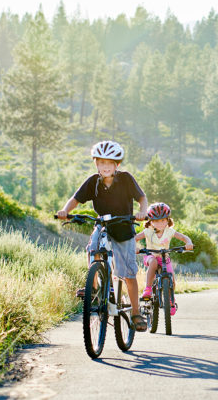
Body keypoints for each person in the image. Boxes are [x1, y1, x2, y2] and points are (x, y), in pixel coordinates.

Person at [57, 140, 149, 332]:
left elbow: (141, 197)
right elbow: (76, 199)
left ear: (117, 165)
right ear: (96, 164)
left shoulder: (126, 179)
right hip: (102, 223)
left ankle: (135, 312)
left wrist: (143, 211)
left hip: (124, 227)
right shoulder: (93, 181)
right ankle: (94, 287)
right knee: (93, 248)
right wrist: (65, 210)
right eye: (101, 163)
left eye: (109, 163)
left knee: (128, 273)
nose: (105, 167)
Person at [135, 202, 194, 316]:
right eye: (156, 221)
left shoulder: (169, 231)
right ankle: (147, 288)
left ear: (168, 220)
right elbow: (135, 238)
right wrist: (135, 247)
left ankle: (171, 300)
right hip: (151, 256)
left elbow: (183, 237)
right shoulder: (148, 231)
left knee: (171, 277)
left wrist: (188, 242)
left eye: (163, 220)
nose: (160, 223)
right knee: (153, 262)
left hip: (164, 258)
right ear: (151, 221)